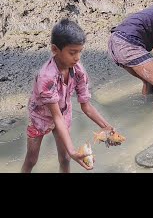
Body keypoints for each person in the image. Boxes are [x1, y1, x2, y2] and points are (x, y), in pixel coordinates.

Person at [21, 18, 118, 173]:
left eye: (80, 51)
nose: (77, 57)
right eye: (72, 52)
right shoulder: (47, 77)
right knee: (32, 159)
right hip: (40, 117)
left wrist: (106, 126)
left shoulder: (78, 70)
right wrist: (73, 150)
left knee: (65, 158)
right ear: (55, 49)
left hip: (63, 112)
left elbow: (86, 106)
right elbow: (55, 116)